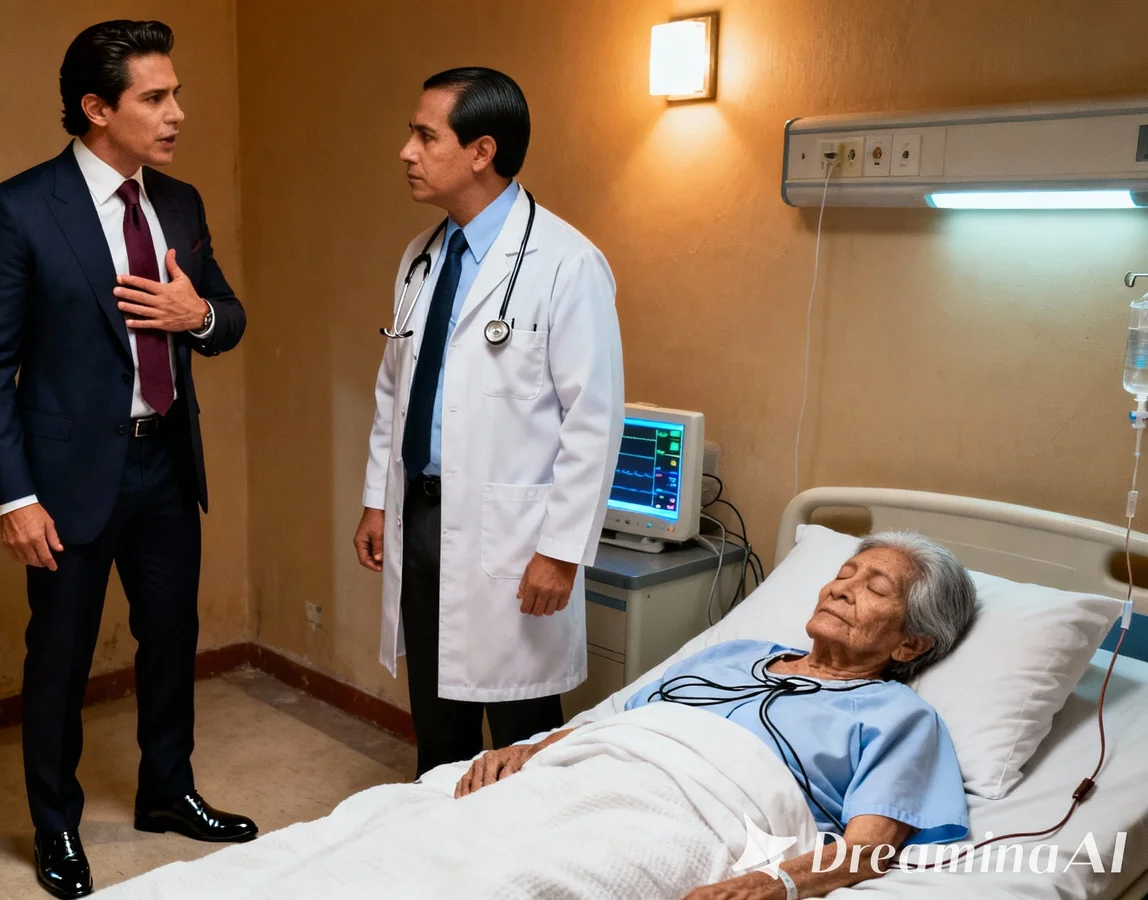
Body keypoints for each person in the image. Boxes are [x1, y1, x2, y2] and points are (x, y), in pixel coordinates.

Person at [0, 19, 253, 900]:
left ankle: (167, 791)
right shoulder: (17, 208)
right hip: (66, 481)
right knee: (60, 658)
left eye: (175, 94)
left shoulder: (181, 203)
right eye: (155, 98)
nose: (177, 113)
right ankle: (55, 825)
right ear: (96, 108)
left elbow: (228, 317)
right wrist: (14, 497)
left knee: (171, 638)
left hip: (167, 462)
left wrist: (197, 316)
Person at [456, 531, 978, 899]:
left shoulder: (900, 716)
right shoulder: (735, 652)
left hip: (694, 820)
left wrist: (771, 883)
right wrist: (531, 749)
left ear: (910, 645)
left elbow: (867, 849)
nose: (840, 588)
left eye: (875, 588)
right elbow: (623, 724)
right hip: (586, 778)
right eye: (843, 575)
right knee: (440, 843)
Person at [354, 67, 624, 775]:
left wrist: (561, 550)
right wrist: (379, 499)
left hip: (516, 534)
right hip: (421, 514)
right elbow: (394, 392)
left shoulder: (568, 263)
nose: (406, 152)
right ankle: (438, 827)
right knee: (436, 721)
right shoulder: (421, 258)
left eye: (425, 136)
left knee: (520, 734)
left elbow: (594, 421)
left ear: (481, 151)